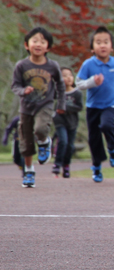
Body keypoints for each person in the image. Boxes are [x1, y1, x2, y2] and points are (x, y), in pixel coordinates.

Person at [11, 27, 66, 188]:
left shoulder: (52, 66)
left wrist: (61, 104)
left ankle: (44, 141)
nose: (38, 44)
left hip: (45, 105)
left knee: (41, 128)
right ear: (26, 45)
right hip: (26, 108)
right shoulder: (21, 65)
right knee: (26, 142)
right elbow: (15, 85)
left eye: (43, 42)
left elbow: (61, 86)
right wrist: (23, 91)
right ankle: (29, 171)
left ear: (48, 47)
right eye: (35, 41)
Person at [76, 26, 114, 183]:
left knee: (107, 126)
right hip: (93, 106)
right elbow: (79, 84)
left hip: (110, 104)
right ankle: (96, 167)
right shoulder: (88, 65)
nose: (102, 45)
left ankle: (112, 148)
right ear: (92, 48)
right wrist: (92, 82)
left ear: (111, 46)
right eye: (98, 42)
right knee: (94, 138)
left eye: (106, 42)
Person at [51, 67, 83, 178]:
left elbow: (79, 107)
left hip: (72, 122)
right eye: (64, 76)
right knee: (63, 141)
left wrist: (66, 107)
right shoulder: (57, 93)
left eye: (70, 75)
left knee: (70, 146)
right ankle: (57, 164)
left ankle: (66, 165)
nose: (68, 78)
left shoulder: (77, 93)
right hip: (60, 121)